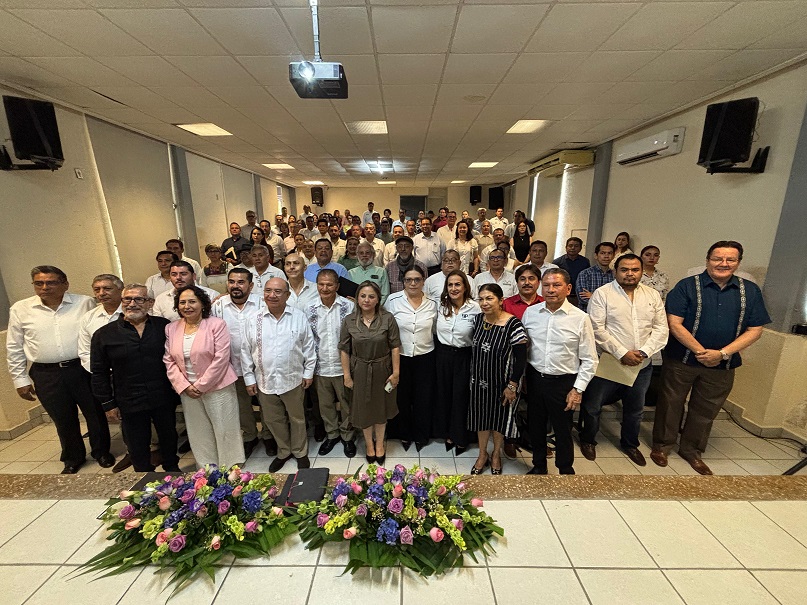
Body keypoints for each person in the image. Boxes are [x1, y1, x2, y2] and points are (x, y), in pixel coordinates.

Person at [651, 241, 771, 475]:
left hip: (723, 363)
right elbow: (674, 323)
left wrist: (722, 353)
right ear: (707, 260)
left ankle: (691, 450)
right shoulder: (686, 286)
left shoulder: (750, 291)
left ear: (738, 263)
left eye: (730, 259)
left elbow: (755, 329)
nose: (723, 264)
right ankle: (662, 446)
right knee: (670, 403)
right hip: (682, 359)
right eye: (718, 258)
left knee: (706, 408)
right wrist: (700, 351)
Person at [7, 266, 113, 474]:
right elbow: (14, 346)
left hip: (82, 368)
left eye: (51, 282)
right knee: (62, 417)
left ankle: (101, 452)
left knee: (95, 413)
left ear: (65, 284)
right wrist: (20, 379)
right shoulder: (21, 309)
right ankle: (73, 457)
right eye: (39, 283)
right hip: (46, 373)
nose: (44, 287)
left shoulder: (84, 303)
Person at [579, 255, 668, 466]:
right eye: (624, 269)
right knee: (593, 406)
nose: (630, 274)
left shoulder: (652, 295)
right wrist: (622, 353)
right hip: (609, 361)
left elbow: (661, 328)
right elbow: (596, 328)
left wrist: (644, 352)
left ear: (641, 271)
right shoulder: (603, 294)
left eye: (635, 270)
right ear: (615, 271)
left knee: (635, 408)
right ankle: (588, 440)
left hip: (642, 364)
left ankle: (630, 444)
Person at [91, 284, 180, 473]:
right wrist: (108, 404)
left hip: (163, 395)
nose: (132, 304)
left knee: (168, 436)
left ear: (150, 303)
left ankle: (172, 468)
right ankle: (144, 475)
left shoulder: (164, 327)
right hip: (129, 398)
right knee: (136, 442)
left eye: (139, 299)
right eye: (127, 299)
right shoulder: (104, 335)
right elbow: (99, 372)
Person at [522, 268, 598, 475]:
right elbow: (524, 349)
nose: (550, 290)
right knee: (536, 426)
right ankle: (539, 466)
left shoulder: (580, 318)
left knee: (563, 429)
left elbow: (590, 359)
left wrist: (578, 389)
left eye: (556, 285)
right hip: (536, 379)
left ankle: (565, 469)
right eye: (546, 285)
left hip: (564, 383)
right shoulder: (531, 313)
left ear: (568, 288)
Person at [164, 286, 244, 468]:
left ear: (202, 304)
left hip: (218, 386)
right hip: (187, 389)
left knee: (224, 427)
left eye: (192, 301)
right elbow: (169, 360)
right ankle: (207, 466)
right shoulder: (171, 328)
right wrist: (184, 385)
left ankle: (231, 465)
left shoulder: (217, 324)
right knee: (198, 429)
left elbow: (221, 358)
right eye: (182, 302)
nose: (187, 306)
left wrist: (201, 385)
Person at [241, 278, 316, 472]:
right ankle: (284, 451)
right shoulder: (253, 319)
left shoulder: (298, 317)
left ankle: (300, 451)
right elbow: (245, 351)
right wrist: (249, 378)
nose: (272, 295)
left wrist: (308, 372)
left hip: (293, 379)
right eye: (268, 291)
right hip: (264, 380)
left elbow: (308, 346)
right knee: (273, 420)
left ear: (287, 295)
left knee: (297, 418)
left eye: (278, 291)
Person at [211, 268, 276, 459]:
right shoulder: (218, 306)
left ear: (251, 285)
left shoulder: (262, 303)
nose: (235, 286)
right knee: (241, 405)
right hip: (232, 365)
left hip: (261, 365)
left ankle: (268, 435)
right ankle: (249, 436)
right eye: (232, 282)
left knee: (266, 403)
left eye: (241, 282)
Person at [468, 284, 528, 475]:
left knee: (499, 420)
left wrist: (512, 385)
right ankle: (482, 454)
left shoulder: (513, 324)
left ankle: (496, 455)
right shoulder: (478, 320)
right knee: (481, 418)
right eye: (481, 299)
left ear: (501, 300)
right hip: (479, 381)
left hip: (503, 383)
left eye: (489, 298)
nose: (484, 303)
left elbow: (521, 358)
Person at [339, 281, 401, 465]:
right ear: (357, 298)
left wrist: (396, 373)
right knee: (364, 410)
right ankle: (369, 445)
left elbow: (395, 346)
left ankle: (380, 444)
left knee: (381, 408)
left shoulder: (387, 318)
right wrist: (346, 375)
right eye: (363, 296)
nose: (366, 300)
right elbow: (344, 350)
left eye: (371, 296)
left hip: (383, 369)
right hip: (359, 369)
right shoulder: (349, 320)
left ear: (378, 299)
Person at [77, 274, 130, 471]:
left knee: (136, 416)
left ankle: (144, 449)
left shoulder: (132, 311)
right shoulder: (89, 318)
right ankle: (129, 451)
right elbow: (84, 351)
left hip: (130, 374)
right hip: (103, 375)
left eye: (107, 288)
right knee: (114, 414)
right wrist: (101, 372)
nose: (101, 293)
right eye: (97, 289)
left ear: (120, 290)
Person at [385, 266, 438, 451]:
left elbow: (436, 329)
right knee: (402, 398)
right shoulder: (393, 301)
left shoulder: (433, 303)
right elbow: (386, 328)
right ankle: (405, 434)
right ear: (403, 282)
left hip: (426, 357)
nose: (413, 283)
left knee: (424, 398)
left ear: (423, 281)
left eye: (417, 279)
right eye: (408, 280)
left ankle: (422, 435)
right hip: (401, 357)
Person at [307, 270, 357, 457]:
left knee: (346, 404)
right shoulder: (309, 308)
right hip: (320, 366)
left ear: (337, 286)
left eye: (329, 284)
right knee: (325, 405)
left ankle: (347, 436)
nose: (325, 288)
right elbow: (307, 339)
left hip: (344, 367)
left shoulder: (349, 306)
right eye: (321, 284)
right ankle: (332, 434)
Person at [434, 270, 480, 455]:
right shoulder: (440, 306)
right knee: (444, 395)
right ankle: (448, 433)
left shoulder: (475, 308)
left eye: (457, 284)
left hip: (464, 356)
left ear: (465, 287)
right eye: (450, 285)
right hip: (443, 355)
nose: (453, 288)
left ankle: (461, 436)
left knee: (461, 397)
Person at [152, 261, 219, 321]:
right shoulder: (161, 299)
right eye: (174, 274)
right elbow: (158, 325)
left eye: (183, 274)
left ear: (194, 276)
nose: (178, 277)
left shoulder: (212, 295)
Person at [575, 242, 616, 312]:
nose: (606, 256)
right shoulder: (585, 274)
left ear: (613, 256)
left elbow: (617, 299)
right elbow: (583, 299)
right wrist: (608, 302)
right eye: (603, 253)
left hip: (609, 315)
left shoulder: (615, 275)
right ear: (596, 255)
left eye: (609, 253)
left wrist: (593, 296)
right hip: (587, 314)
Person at [553, 237, 590, 307]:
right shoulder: (557, 262)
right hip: (562, 295)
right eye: (570, 245)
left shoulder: (585, 262)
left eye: (576, 246)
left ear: (580, 248)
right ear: (566, 247)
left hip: (579, 296)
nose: (573, 248)